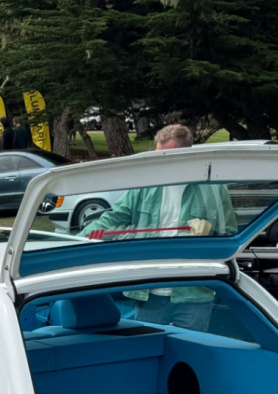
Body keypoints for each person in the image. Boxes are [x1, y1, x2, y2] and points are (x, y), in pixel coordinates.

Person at [79, 124, 237, 331]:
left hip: (194, 292)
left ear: (186, 154)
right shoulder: (144, 186)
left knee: (191, 348)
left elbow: (228, 234)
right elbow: (112, 219)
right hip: (150, 289)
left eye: (166, 155)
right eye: (158, 155)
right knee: (146, 345)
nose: (160, 161)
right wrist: (77, 241)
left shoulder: (214, 189)